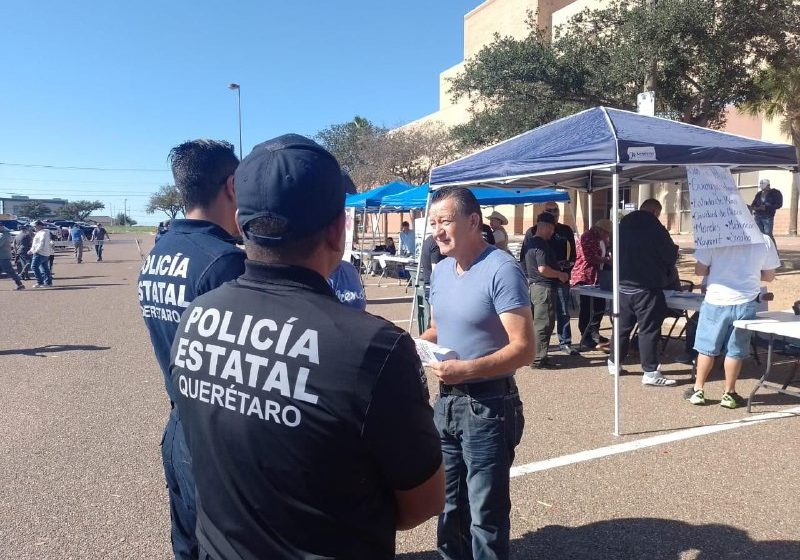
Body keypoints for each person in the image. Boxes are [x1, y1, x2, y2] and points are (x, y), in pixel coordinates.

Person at [171, 134, 444, 559]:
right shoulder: (373, 348)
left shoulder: (196, 316)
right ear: (338, 229)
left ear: (243, 223)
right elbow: (423, 502)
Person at [138, 139, 245, 559]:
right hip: (215, 440)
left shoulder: (159, 253)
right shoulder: (222, 262)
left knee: (186, 543)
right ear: (232, 185)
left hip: (179, 424)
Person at [421, 186, 534, 560]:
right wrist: (414, 344)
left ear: (473, 221)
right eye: (433, 222)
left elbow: (524, 348)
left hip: (488, 406)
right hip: (447, 403)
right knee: (448, 504)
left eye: (445, 221)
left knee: (486, 513)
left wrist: (467, 369)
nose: (437, 231)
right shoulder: (440, 271)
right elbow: (440, 328)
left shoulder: (501, 269)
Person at [685, 234, 780, 408]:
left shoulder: (713, 235)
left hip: (716, 300)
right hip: (746, 301)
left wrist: (718, 268)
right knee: (735, 349)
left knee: (706, 348)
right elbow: (769, 276)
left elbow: (699, 270)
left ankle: (698, 389)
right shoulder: (764, 240)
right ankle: (729, 393)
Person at [610, 199, 678, 386]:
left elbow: (611, 250)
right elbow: (670, 255)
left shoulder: (622, 225)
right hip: (647, 287)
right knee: (648, 330)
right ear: (655, 211)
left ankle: (614, 362)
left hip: (622, 285)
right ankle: (650, 372)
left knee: (622, 327)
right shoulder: (656, 228)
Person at [521, 202, 578, 355]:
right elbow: (524, 256)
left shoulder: (565, 230)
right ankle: (536, 350)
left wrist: (565, 269)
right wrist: (527, 276)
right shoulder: (532, 232)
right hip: (540, 280)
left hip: (561, 277)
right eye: (549, 210)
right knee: (540, 316)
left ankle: (565, 342)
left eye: (555, 210)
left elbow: (573, 254)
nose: (553, 212)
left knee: (563, 311)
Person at [525, 212, 570, 369]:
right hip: (544, 288)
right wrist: (560, 274)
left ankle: (533, 355)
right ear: (544, 226)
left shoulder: (529, 242)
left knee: (535, 323)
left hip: (534, 287)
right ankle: (538, 359)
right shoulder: (541, 244)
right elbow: (543, 268)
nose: (552, 232)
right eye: (551, 228)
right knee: (544, 324)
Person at [571, 219, 613, 350]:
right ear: (600, 231)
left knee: (599, 305)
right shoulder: (587, 237)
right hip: (585, 276)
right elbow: (590, 257)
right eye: (606, 233)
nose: (607, 236)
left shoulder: (600, 240)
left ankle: (594, 332)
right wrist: (607, 260)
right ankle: (586, 336)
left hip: (596, 277)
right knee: (586, 307)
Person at [0, 224, 25, 290]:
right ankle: (19, 284)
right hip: (3, 256)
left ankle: (19, 284)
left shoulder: (4, 234)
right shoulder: (3, 233)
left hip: (3, 257)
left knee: (10, 271)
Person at [28, 220, 53, 288]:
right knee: (45, 268)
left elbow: (41, 243)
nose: (34, 228)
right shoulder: (44, 232)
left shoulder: (42, 233)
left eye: (35, 226)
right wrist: (31, 250)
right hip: (45, 253)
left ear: (40, 226)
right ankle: (48, 282)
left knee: (34, 267)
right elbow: (37, 244)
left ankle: (40, 282)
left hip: (39, 253)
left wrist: (34, 251)